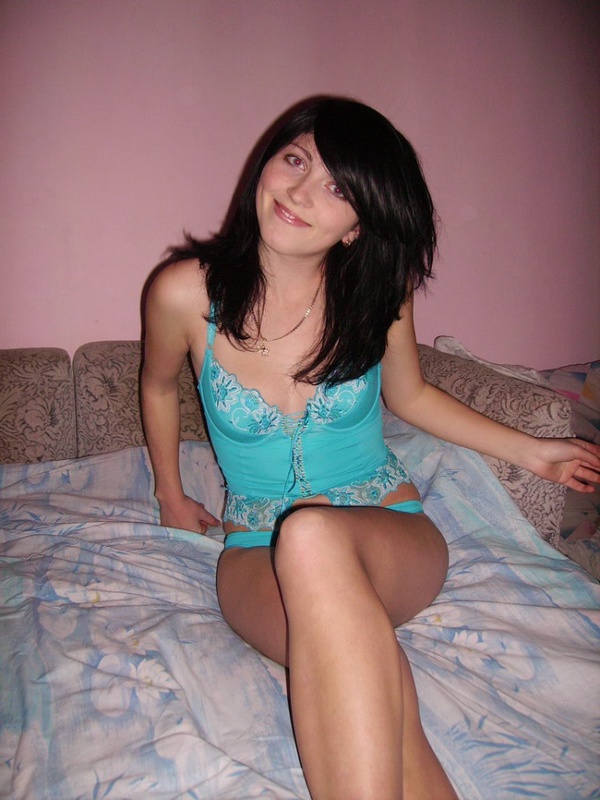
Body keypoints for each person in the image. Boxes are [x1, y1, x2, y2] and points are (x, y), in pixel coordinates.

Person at [141, 96, 600, 800]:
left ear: (358, 225)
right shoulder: (182, 293)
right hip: (256, 548)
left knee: (315, 535)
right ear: (266, 163)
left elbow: (410, 397)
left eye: (338, 188)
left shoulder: (377, 293)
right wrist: (170, 495)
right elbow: (158, 386)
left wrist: (531, 452)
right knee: (353, 660)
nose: (300, 191)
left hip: (388, 528)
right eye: (296, 160)